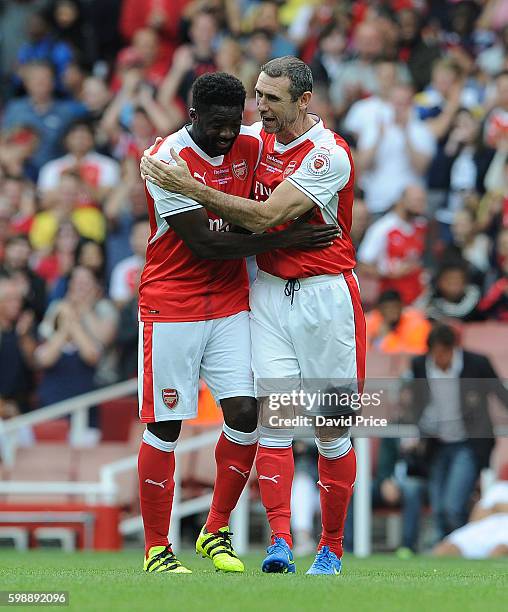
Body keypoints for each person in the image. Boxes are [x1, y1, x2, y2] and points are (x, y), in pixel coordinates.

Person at [141, 56, 365, 576]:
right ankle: (279, 543)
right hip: (264, 294)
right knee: (272, 423)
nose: (258, 107)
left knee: (332, 427)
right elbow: (205, 140)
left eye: (271, 98)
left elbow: (265, 215)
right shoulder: (251, 141)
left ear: (303, 102)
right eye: (258, 95)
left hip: (324, 296)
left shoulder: (329, 155)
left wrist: (191, 187)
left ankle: (331, 547)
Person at [405, 324, 508, 541]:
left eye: (444, 352)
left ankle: (463, 546)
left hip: (468, 443)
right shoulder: (420, 365)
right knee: (439, 508)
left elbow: (500, 393)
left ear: (454, 349)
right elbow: (415, 402)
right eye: (435, 353)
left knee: (453, 505)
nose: (439, 358)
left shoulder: (476, 363)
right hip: (436, 443)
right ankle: (448, 553)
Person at [357, 185, 428, 306]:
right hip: (392, 299)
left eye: (423, 201)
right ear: (401, 201)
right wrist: (388, 272)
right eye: (417, 200)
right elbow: (363, 264)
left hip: (418, 297)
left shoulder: (421, 225)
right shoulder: (383, 228)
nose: (421, 205)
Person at [433, 463, 508, 558]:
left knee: (499, 551)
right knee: (442, 549)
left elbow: (490, 509)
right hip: (483, 528)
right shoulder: (498, 489)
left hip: (505, 534)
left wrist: (496, 508)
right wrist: (500, 508)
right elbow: (475, 518)